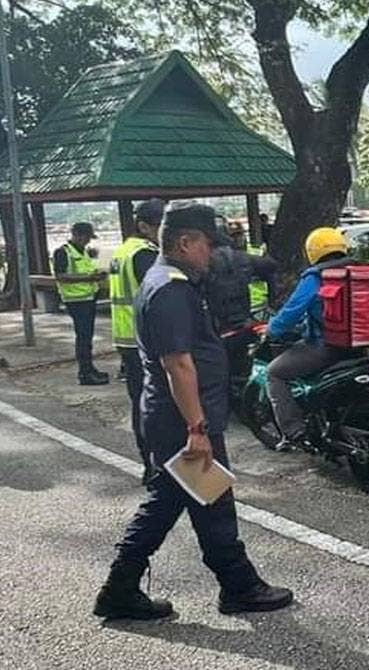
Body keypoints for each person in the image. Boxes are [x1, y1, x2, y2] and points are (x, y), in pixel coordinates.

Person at [93, 202, 292, 620]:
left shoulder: (169, 280)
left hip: (181, 419)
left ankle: (236, 585)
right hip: (182, 422)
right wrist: (197, 427)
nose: (211, 254)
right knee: (171, 502)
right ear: (185, 242)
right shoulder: (170, 289)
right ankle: (122, 588)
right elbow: (177, 364)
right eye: (206, 245)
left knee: (207, 500)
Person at [265, 227, 351, 451]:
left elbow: (292, 311)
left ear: (313, 251)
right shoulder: (359, 271)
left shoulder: (316, 277)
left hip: (326, 348)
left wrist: (272, 329)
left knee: (274, 373)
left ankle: (294, 431)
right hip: (364, 346)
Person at [109, 198, 164, 480]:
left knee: (140, 401)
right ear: (143, 226)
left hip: (126, 337)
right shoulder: (143, 253)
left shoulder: (122, 250)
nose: (163, 231)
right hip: (143, 340)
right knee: (152, 404)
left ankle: (148, 463)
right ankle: (154, 464)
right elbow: (157, 296)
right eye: (159, 225)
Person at [53, 222, 109, 386]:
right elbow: (61, 276)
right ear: (77, 235)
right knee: (83, 337)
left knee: (87, 336)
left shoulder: (83, 251)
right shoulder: (63, 252)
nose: (87, 241)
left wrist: (97, 275)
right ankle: (85, 373)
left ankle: (89, 368)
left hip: (88, 297)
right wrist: (89, 278)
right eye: (85, 237)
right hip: (75, 300)